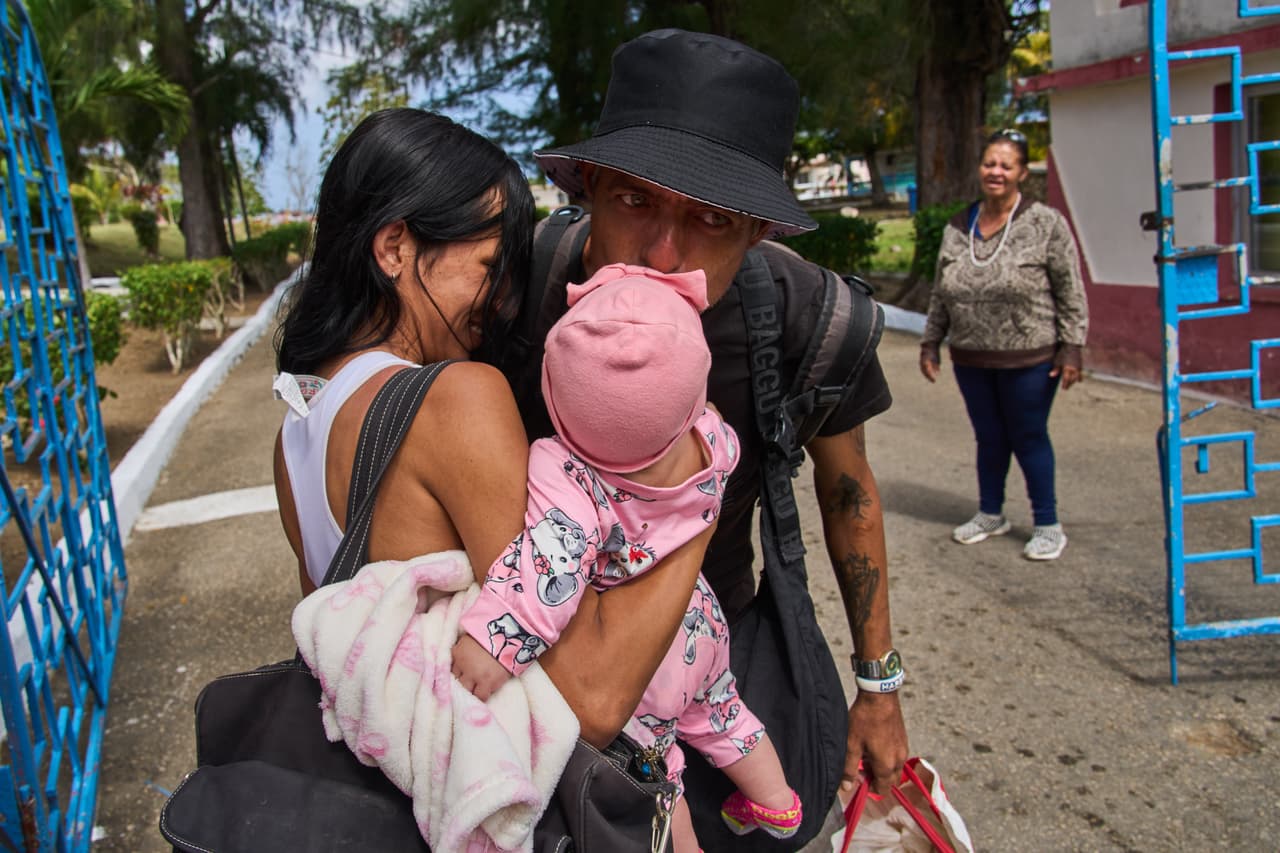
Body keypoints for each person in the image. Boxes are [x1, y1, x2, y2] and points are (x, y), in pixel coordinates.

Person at [506, 27, 911, 803]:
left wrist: (879, 686)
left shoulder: (804, 319)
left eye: (712, 219)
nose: (662, 250)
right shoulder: (522, 289)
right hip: (526, 674)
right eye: (634, 200)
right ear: (588, 184)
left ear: (758, 230)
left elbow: (848, 490)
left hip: (705, 677)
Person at [271, 107, 715, 761]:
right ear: (394, 248)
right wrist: (694, 482)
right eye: (488, 265)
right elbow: (591, 696)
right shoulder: (454, 398)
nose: (504, 300)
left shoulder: (293, 433)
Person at [453, 264, 802, 851]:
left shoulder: (563, 469)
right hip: (699, 621)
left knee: (656, 765)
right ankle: (777, 802)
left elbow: (551, 564)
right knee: (721, 711)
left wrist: (495, 640)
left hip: (644, 653)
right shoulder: (710, 436)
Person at [919, 129, 1089, 561]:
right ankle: (990, 513)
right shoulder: (960, 225)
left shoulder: (1045, 222)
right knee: (989, 437)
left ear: (1022, 173)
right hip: (972, 356)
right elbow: (941, 290)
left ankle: (1048, 524)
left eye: (1005, 165)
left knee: (1028, 435)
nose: (995, 171)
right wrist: (931, 342)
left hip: (1031, 355)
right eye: (989, 163)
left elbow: (1070, 287)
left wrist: (1073, 346)